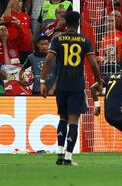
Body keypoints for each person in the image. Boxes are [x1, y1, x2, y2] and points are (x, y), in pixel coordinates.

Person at [39, 11, 102, 166]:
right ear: (78, 23)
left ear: (65, 23)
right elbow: (93, 64)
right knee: (73, 120)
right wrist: (99, 82)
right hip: (76, 85)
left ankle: (59, 153)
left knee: (62, 117)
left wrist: (42, 81)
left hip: (61, 84)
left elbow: (48, 60)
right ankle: (68, 157)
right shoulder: (84, 41)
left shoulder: (57, 39)